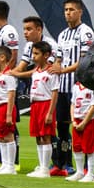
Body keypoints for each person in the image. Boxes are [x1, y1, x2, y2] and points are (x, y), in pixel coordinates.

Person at [51, 0, 94, 175]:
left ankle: (85, 166)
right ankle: (64, 163)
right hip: (63, 87)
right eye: (66, 10)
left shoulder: (86, 33)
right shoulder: (62, 35)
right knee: (62, 126)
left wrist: (63, 70)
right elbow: (59, 60)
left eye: (71, 9)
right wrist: (56, 68)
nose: (68, 13)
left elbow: (84, 60)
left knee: (81, 125)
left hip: (80, 87)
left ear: (80, 12)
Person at [26, 42, 59, 178]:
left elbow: (55, 92)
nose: (33, 57)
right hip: (35, 105)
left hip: (46, 104)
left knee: (46, 136)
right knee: (38, 136)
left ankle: (46, 169)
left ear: (46, 55)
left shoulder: (51, 72)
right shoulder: (36, 71)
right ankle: (41, 166)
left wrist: (50, 112)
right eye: (33, 53)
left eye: (36, 54)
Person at [0, 46, 19, 175]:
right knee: (0, 136)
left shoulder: (9, 75)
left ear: (2, 58)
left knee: (8, 136)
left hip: (5, 107)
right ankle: (4, 164)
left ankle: (11, 166)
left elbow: (11, 95)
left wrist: (8, 114)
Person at [68, 79, 94, 183]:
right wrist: (73, 120)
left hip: (88, 121)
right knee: (77, 147)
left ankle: (90, 174)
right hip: (77, 120)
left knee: (89, 148)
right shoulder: (76, 86)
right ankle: (79, 172)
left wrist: (84, 123)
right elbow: (72, 104)